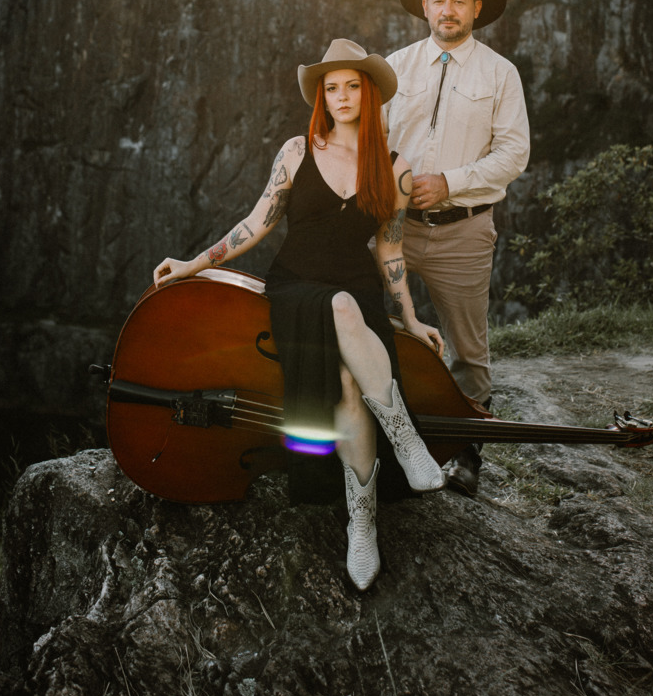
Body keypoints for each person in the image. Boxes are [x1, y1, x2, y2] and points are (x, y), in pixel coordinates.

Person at [153, 38, 445, 591]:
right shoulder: (297, 150)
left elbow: (390, 250)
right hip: (296, 288)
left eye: (350, 86)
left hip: (358, 294)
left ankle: (364, 518)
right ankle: (404, 439)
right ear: (322, 96)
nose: (340, 96)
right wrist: (193, 263)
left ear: (369, 93)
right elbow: (256, 223)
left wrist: (409, 316)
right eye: (330, 88)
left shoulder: (396, 169)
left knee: (348, 384)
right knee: (336, 308)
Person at [382, 0, 530, 497]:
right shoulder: (394, 68)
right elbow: (370, 142)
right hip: (393, 228)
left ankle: (466, 454)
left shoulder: (499, 73)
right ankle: (386, 442)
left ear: (477, 8)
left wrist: (450, 181)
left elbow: (514, 153)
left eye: (459, 2)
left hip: (464, 229)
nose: (448, 9)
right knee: (375, 328)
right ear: (424, 6)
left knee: (468, 348)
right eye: (439, 0)